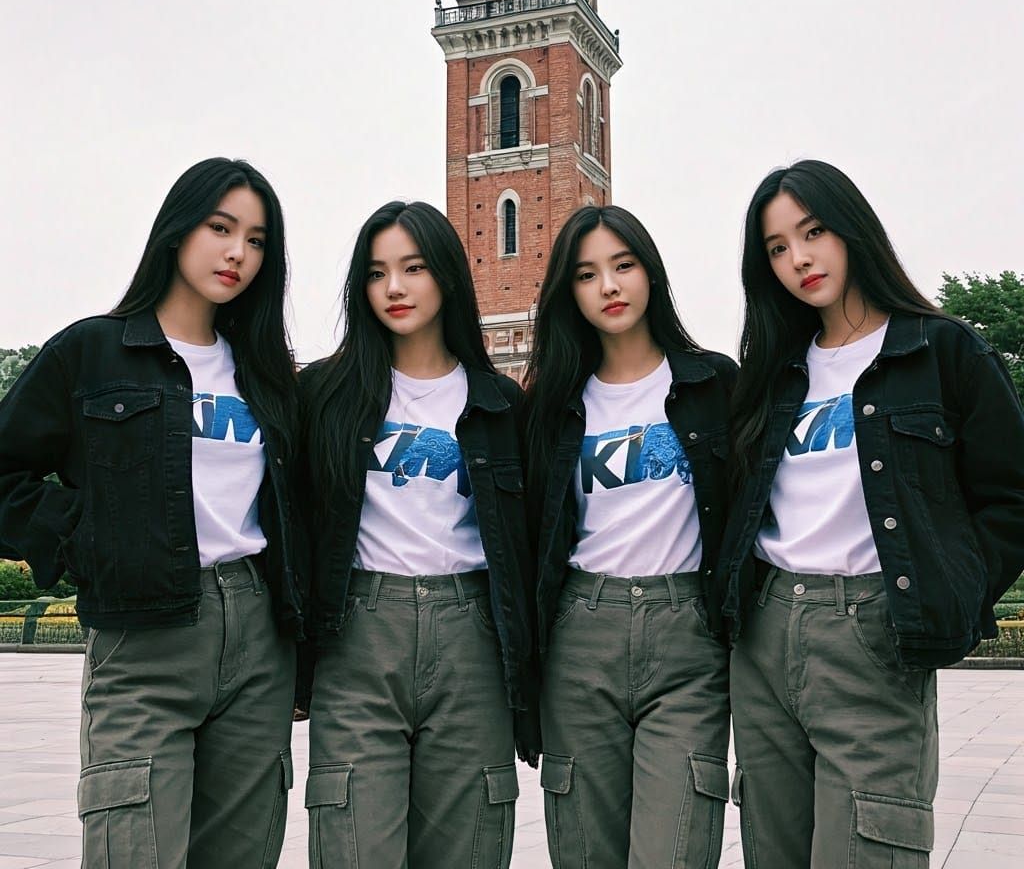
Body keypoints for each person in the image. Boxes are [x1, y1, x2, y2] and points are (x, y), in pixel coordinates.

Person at [719, 159, 1024, 867]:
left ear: (852, 230)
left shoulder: (939, 348)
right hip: (766, 639)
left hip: (872, 634)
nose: (798, 258)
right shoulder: (776, 369)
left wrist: (947, 591)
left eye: (813, 232)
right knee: (775, 851)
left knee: (868, 850)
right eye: (777, 248)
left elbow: (1012, 495)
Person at [0, 158, 303, 868]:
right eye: (220, 227)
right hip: (143, 643)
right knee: (130, 850)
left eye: (257, 240)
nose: (237, 253)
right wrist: (84, 540)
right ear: (176, 230)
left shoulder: (265, 372)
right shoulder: (95, 352)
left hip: (257, 642)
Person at [299, 200, 537, 868]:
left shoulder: (499, 403)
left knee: (469, 844)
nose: (395, 288)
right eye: (377, 274)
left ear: (449, 278)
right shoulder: (325, 392)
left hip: (471, 636)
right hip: (358, 635)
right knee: (351, 841)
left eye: (414, 268)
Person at [525, 204, 736, 868]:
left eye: (623, 266)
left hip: (688, 639)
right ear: (570, 293)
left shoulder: (712, 384)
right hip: (581, 633)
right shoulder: (552, 404)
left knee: (675, 850)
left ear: (651, 274)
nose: (609, 286)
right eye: (587, 275)